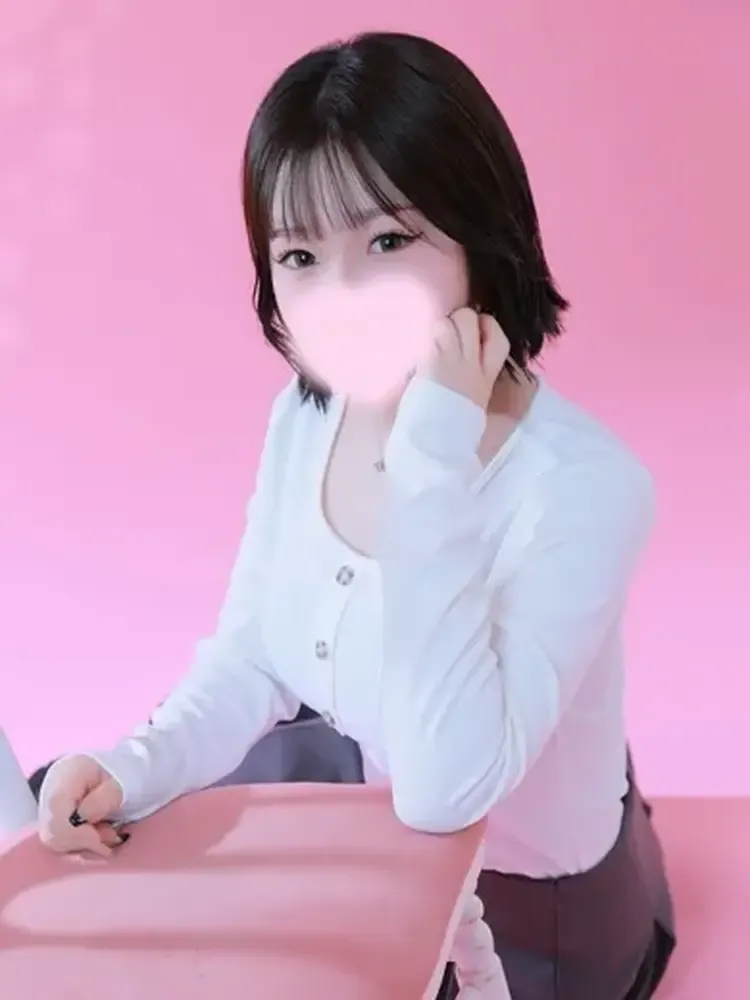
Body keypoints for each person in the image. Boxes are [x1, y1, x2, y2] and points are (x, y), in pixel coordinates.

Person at [36, 31, 675, 1000]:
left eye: (388, 242)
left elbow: (444, 791)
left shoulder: (586, 484)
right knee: (97, 819)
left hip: (528, 905)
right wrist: (136, 765)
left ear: (481, 235)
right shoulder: (307, 416)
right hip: (370, 825)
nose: (343, 297)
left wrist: (431, 452)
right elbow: (252, 655)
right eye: (300, 254)